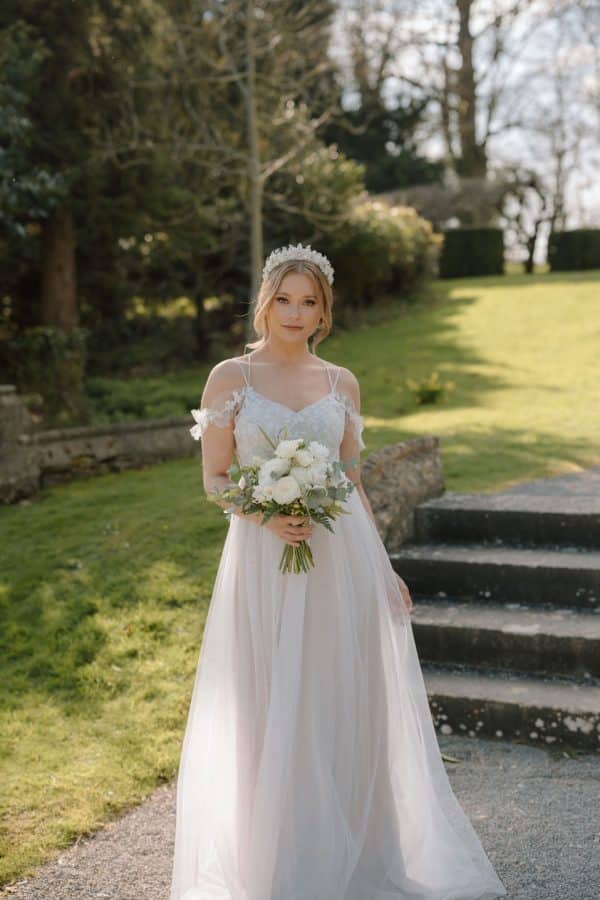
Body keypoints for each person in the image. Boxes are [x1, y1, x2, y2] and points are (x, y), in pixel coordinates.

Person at [169, 244, 508, 900]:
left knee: (344, 700)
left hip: (339, 560)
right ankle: (279, 864)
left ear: (325, 310)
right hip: (264, 563)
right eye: (285, 300)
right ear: (265, 301)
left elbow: (351, 484)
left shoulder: (340, 383)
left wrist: (382, 569)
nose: (296, 314)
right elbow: (214, 479)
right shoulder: (229, 378)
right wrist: (264, 516)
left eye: (310, 302)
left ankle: (359, 853)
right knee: (270, 702)